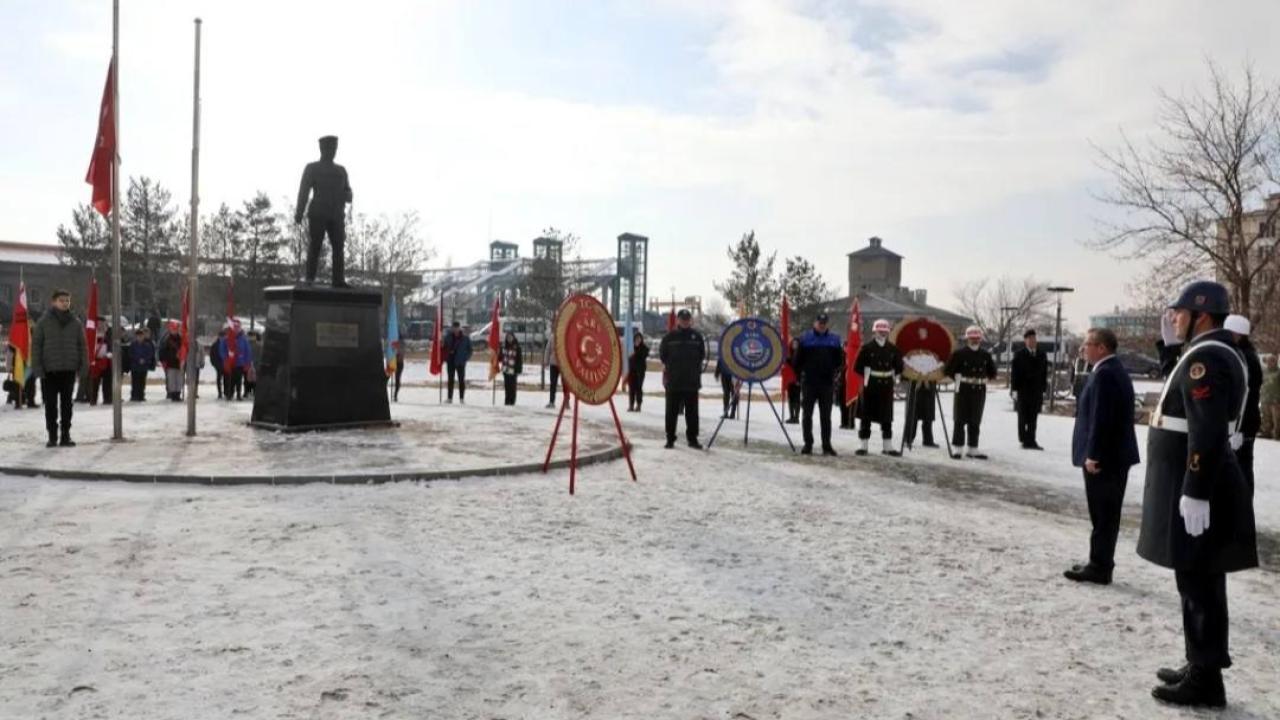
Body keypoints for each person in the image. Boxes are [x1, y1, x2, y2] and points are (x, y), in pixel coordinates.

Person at [1137, 281, 1256, 708]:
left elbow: (1204, 429)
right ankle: (1199, 661)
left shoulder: (1208, 357)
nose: (1174, 319)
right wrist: (1170, 350)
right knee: (1197, 576)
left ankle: (1206, 681)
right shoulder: (1212, 351)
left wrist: (1196, 489)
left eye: (1180, 314)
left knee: (1199, 579)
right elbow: (1186, 399)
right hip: (1196, 479)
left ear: (1201, 316)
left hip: (1197, 482)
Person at [1065, 327, 1139, 585]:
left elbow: (1102, 419)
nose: (1083, 349)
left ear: (1102, 348)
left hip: (1105, 458)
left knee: (1103, 514)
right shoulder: (1110, 370)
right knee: (1105, 514)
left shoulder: (1106, 374)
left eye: (1087, 344)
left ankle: (1099, 566)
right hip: (1114, 456)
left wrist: (1093, 454)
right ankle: (1099, 561)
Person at [29, 289, 86, 447]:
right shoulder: (43, 322)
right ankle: (52, 436)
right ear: (53, 302)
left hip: (68, 370)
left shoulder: (75, 322)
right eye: (61, 300)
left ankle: (65, 436)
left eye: (67, 300)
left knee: (67, 405)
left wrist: (83, 367)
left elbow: (82, 346)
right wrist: (38, 368)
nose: (65, 303)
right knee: (51, 405)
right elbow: (36, 347)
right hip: (49, 372)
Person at [294, 134, 353, 287]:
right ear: (322, 149)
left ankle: (338, 280)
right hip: (318, 213)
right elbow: (304, 191)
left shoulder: (341, 171)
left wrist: (347, 195)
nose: (332, 151)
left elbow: (349, 193)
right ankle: (310, 278)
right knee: (315, 246)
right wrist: (299, 213)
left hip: (336, 216)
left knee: (339, 247)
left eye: (334, 148)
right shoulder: (312, 168)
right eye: (329, 148)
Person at [794, 312, 843, 456]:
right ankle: (808, 443)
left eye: (824, 323)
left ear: (827, 324)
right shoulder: (805, 339)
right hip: (809, 383)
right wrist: (800, 376)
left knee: (826, 416)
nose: (822, 326)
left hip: (826, 384)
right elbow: (797, 361)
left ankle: (826, 445)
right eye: (819, 323)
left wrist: (832, 373)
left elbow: (839, 361)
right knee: (807, 414)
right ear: (815, 323)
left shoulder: (834, 340)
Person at [945, 325, 997, 459]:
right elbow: (948, 370)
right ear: (967, 339)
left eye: (977, 338)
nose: (975, 341)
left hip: (979, 390)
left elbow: (992, 372)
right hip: (963, 389)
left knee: (975, 420)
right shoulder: (959, 354)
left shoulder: (985, 355)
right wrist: (956, 376)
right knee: (960, 419)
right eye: (972, 338)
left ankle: (973, 448)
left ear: (980, 339)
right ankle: (958, 448)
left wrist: (987, 377)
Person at [853, 318, 904, 456]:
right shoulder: (866, 348)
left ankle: (887, 446)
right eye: (880, 331)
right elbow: (857, 367)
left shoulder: (893, 349)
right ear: (875, 332)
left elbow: (899, 367)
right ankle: (863, 445)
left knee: (886, 417)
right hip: (871, 385)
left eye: (885, 331)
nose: (883, 333)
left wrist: (897, 375)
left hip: (886, 385)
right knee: (866, 416)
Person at [1224, 314, 1261, 492]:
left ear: (1237, 335)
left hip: (1242, 426)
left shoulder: (1244, 358)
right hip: (1245, 423)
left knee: (1241, 471)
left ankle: (1242, 513)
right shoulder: (1246, 355)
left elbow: (1246, 396)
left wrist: (1239, 429)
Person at [659, 309, 705, 449]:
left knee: (692, 413)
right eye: (682, 319)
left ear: (690, 320)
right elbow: (663, 355)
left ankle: (692, 439)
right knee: (671, 412)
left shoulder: (696, 337)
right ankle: (670, 438)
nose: (685, 321)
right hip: (674, 382)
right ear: (678, 320)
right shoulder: (669, 337)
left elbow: (701, 355)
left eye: (687, 319)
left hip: (691, 382)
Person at [1010, 328, 1050, 450]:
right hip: (1023, 390)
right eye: (1030, 339)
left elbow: (1044, 373)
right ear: (1025, 341)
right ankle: (1023, 439)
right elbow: (1014, 374)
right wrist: (1014, 389)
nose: (1032, 341)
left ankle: (1031, 440)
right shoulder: (1019, 354)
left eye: (1034, 339)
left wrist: (1044, 389)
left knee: (1033, 416)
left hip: (1036, 391)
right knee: (1022, 416)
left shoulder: (1042, 354)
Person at [442, 321, 472, 403]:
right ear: (452, 328)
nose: (455, 329)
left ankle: (461, 398)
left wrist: (465, 358)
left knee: (461, 380)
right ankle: (449, 398)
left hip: (460, 362)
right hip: (450, 361)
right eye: (454, 328)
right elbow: (444, 348)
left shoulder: (465, 338)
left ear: (459, 328)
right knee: (450, 380)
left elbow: (470, 350)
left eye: (457, 327)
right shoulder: (448, 337)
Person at [127, 328, 156, 402]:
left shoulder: (147, 345)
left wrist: (145, 360)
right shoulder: (133, 345)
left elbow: (149, 354)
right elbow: (131, 354)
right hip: (135, 366)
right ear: (136, 336)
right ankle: (134, 395)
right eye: (138, 336)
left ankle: (141, 395)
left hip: (143, 367)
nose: (140, 337)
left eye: (141, 335)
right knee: (135, 381)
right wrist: (137, 360)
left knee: (142, 381)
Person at [159, 324, 183, 401]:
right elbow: (162, 351)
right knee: (171, 380)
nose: (175, 331)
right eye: (173, 329)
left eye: (176, 329)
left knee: (179, 379)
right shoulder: (166, 340)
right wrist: (165, 360)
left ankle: (178, 393)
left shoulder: (181, 339)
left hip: (179, 363)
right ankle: (172, 394)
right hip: (170, 363)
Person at [628, 333, 649, 412]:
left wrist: (636, 350)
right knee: (631, 388)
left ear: (641, 339)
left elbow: (643, 355)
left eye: (639, 338)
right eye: (636, 338)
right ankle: (631, 405)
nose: (638, 340)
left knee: (638, 388)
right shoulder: (631, 348)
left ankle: (639, 405)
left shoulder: (644, 348)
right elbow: (629, 357)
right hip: (632, 370)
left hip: (640, 371)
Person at [500, 331, 522, 406]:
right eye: (508, 337)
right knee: (507, 386)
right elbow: (500, 357)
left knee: (512, 386)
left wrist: (518, 369)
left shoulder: (517, 347)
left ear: (513, 337)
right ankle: (507, 400)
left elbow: (519, 360)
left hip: (513, 370)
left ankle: (512, 401)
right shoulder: (503, 346)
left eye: (510, 337)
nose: (509, 339)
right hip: (506, 369)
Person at [1262, 354, 1280, 440]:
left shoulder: (1278, 372)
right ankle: (1266, 433)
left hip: (1276, 400)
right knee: (1266, 417)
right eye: (1268, 361)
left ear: (1275, 362)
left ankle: (1277, 435)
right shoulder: (1264, 371)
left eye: (1272, 361)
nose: (1269, 363)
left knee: (1276, 419)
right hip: (1265, 398)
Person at [784, 337, 802, 424]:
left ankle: (796, 417)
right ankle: (791, 416)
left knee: (797, 398)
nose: (794, 345)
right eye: (793, 343)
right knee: (790, 398)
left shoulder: (801, 354)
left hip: (797, 379)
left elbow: (797, 366)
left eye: (796, 343)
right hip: (790, 379)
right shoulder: (790, 354)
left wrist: (799, 379)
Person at [210, 329, 225, 399]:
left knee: (226, 379)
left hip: (225, 364)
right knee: (219, 379)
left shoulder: (226, 344)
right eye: (221, 336)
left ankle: (225, 391)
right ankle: (219, 392)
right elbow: (212, 355)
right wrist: (214, 363)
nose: (222, 338)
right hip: (218, 364)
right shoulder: (215, 345)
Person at [392, 334, 406, 402]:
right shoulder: (400, 343)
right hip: (398, 363)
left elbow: (399, 353)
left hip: (399, 363)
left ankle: (395, 395)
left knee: (397, 379)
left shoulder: (400, 344)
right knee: (397, 379)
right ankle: (395, 395)